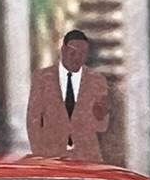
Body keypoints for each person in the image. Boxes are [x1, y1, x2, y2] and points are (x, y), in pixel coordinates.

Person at [27, 28, 111, 161]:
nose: (76, 58)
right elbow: (34, 119)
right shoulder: (42, 78)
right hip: (51, 157)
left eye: (82, 53)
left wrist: (99, 114)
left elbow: (102, 127)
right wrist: (40, 154)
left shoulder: (97, 81)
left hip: (87, 157)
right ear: (63, 50)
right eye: (73, 52)